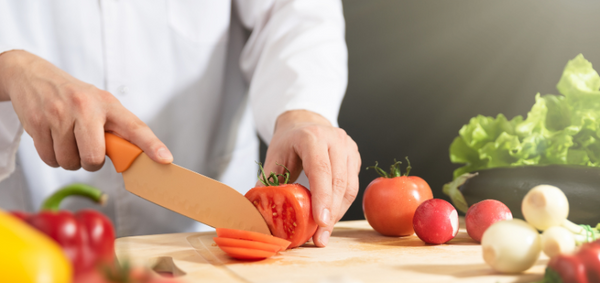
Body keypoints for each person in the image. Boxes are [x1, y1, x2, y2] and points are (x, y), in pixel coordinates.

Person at [0, 0, 360, 247]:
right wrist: (11, 69)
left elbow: (294, 12)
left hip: (211, 249)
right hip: (25, 240)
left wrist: (302, 111)